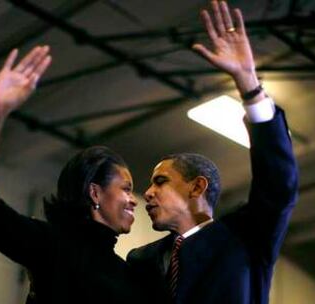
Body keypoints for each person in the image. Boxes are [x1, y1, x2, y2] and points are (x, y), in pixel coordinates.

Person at [127, 1, 299, 304]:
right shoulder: (140, 260)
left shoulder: (246, 237)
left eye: (161, 181)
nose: (148, 193)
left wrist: (248, 82)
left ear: (197, 186)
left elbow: (279, 184)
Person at [0, 46, 148, 304]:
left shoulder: (129, 276)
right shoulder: (52, 245)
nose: (134, 199)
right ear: (95, 192)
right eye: (126, 189)